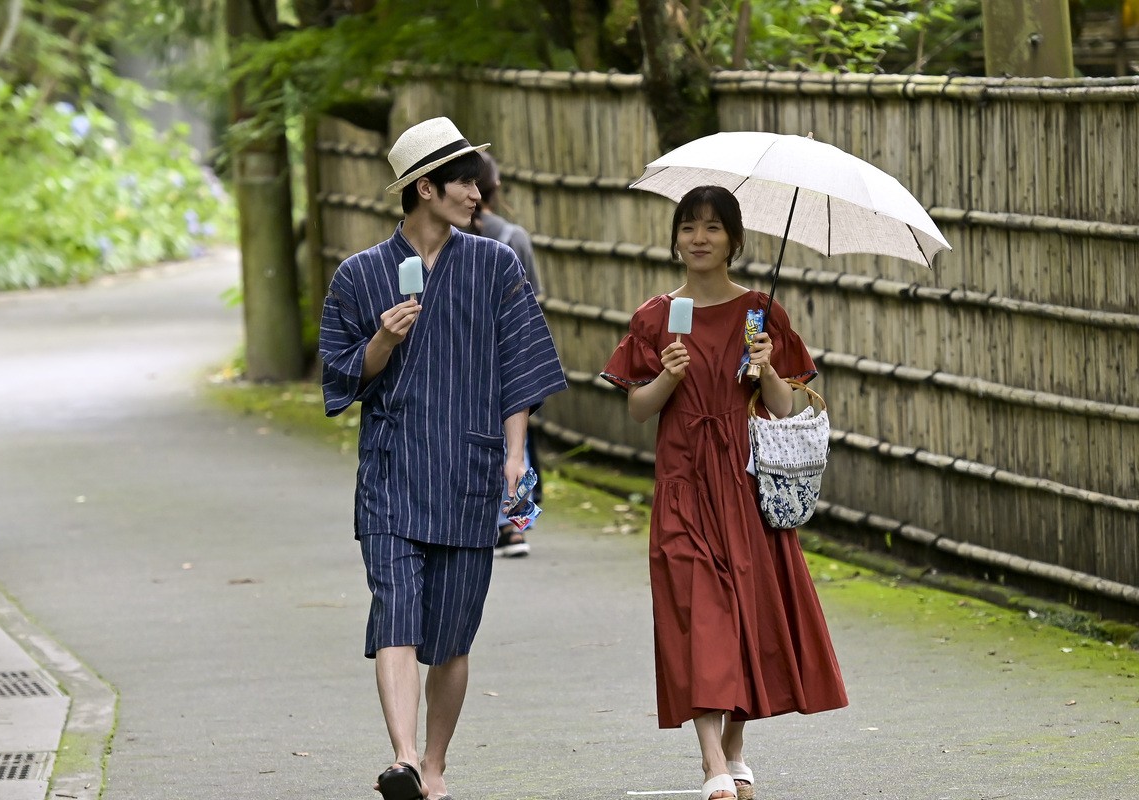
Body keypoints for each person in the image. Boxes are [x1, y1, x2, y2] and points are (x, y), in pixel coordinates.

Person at [318, 117, 567, 800]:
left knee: (453, 637)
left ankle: (434, 764)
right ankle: (401, 758)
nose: (478, 194)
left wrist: (515, 457)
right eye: (464, 182)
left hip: (470, 470)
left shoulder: (496, 265)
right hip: (393, 469)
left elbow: (518, 367)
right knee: (394, 609)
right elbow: (341, 378)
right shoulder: (359, 275)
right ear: (426, 188)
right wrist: (382, 342)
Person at [599, 186, 847, 800]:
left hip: (744, 483)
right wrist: (667, 376)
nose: (699, 238)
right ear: (676, 237)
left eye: (713, 227)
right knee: (699, 613)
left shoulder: (761, 314)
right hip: (682, 485)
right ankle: (713, 763)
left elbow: (785, 407)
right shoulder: (656, 317)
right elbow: (636, 410)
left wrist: (765, 367)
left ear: (735, 241)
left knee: (743, 616)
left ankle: (734, 752)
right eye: (688, 227)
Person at [466, 152, 544, 558]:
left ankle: (479, 522)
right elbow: (533, 305)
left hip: (462, 358)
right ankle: (517, 526)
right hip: (508, 355)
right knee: (517, 441)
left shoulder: (448, 236)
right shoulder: (513, 237)